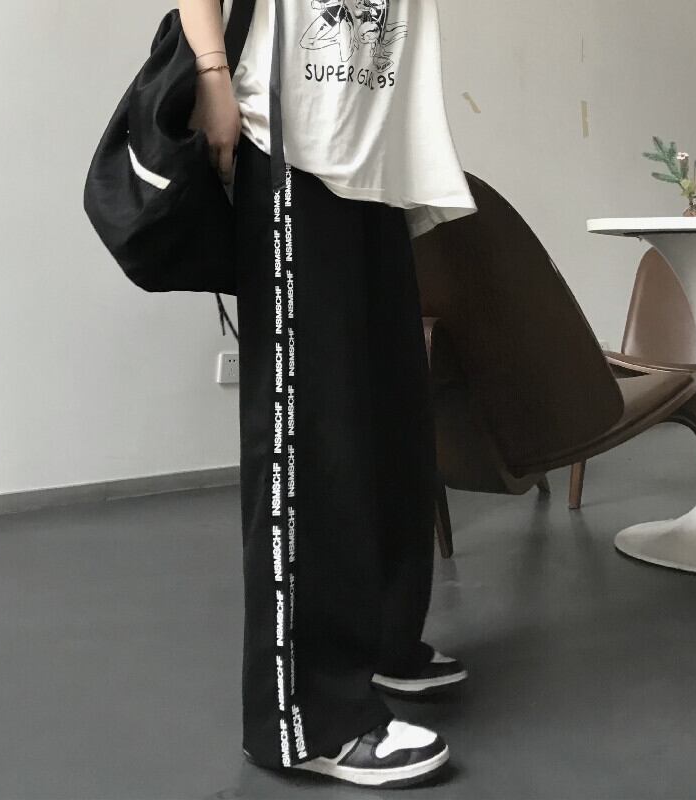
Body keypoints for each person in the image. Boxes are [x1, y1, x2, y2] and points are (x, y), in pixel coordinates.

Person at [178, 0, 476, 788]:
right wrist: (212, 73)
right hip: (290, 144)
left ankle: (381, 642)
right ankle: (309, 717)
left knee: (392, 419)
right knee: (315, 432)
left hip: (373, 153)